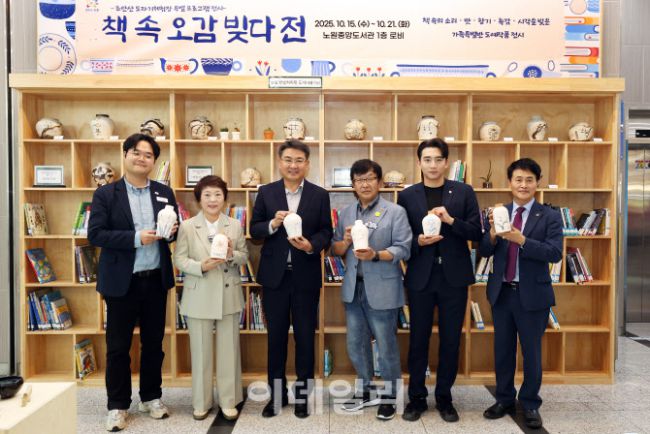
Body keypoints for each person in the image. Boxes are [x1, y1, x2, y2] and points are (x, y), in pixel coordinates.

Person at [88, 133, 178, 432]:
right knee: (118, 347)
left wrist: (173, 231)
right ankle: (117, 405)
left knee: (154, 344)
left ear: (154, 161)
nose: (142, 159)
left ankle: (151, 397)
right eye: (137, 153)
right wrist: (135, 238)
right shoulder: (106, 194)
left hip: (155, 280)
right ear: (125, 155)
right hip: (121, 282)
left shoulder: (164, 192)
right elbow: (96, 234)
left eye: (148, 155)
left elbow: (173, 232)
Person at [397, 139, 482, 422]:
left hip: (453, 278)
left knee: (450, 340)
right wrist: (418, 242)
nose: (432, 165)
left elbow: (477, 233)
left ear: (446, 162)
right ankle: (417, 398)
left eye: (437, 159)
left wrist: (451, 221)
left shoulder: (464, 192)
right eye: (427, 159)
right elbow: (402, 237)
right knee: (418, 340)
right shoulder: (407, 195)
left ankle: (445, 398)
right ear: (419, 162)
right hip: (421, 276)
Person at [250, 140, 332, 419]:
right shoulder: (266, 192)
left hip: (305, 276)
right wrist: (273, 224)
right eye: (288, 159)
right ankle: (277, 396)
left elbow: (326, 231)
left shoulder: (319, 195)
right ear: (279, 162)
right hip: (275, 278)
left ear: (307, 164)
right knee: (276, 339)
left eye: (299, 160)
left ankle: (302, 396)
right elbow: (255, 230)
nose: (293, 165)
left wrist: (311, 246)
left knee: (305, 338)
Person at [480, 158, 562, 430]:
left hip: (533, 295)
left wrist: (522, 240)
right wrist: (493, 234)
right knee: (503, 351)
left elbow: (554, 253)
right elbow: (484, 250)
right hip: (502, 293)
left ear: (537, 183)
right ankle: (504, 399)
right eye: (518, 179)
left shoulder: (549, 215)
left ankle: (529, 404)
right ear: (510, 183)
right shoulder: (499, 212)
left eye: (529, 180)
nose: (523, 185)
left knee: (531, 352)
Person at [331, 159, 412, 421]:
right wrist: (344, 241)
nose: (364, 184)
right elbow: (335, 249)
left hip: (383, 288)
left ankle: (389, 396)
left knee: (386, 346)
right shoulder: (346, 213)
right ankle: (365, 390)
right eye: (359, 180)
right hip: (353, 289)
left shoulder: (395, 212)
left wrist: (376, 254)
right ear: (353, 185)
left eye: (369, 178)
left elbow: (404, 248)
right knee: (356, 344)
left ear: (379, 182)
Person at [173, 175, 248, 421]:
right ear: (199, 199)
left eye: (217, 194)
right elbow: (179, 259)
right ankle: (201, 402)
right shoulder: (187, 226)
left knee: (229, 351)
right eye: (207, 195)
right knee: (201, 352)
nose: (212, 199)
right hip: (199, 293)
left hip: (228, 294)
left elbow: (244, 255)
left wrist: (231, 254)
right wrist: (200, 266)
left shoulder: (234, 225)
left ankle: (228, 401)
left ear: (225, 199)